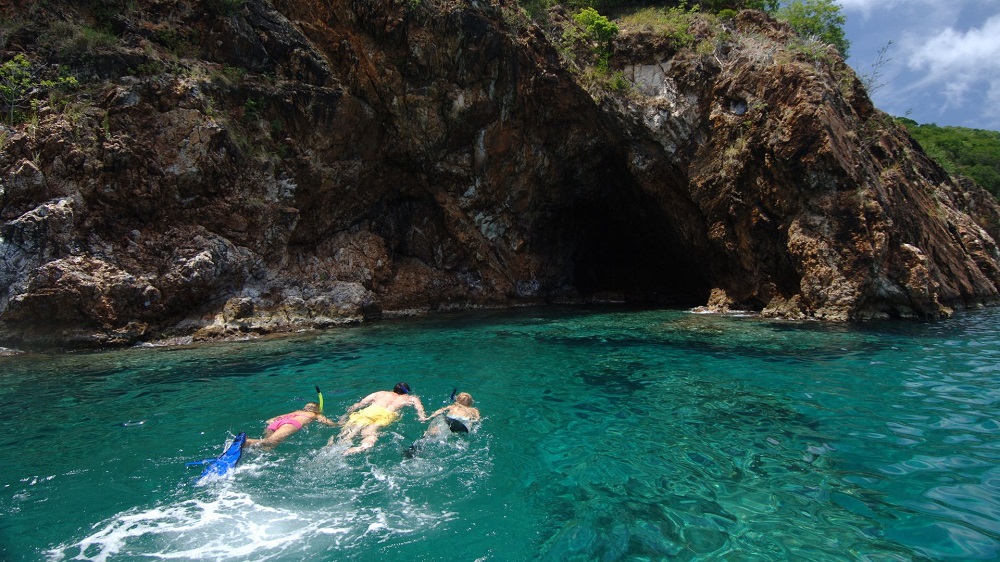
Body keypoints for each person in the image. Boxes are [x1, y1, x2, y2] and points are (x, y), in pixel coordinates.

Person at [331, 382, 428, 455]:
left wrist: (343, 417)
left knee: (349, 433)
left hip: (370, 411)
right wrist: (422, 417)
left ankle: (338, 447)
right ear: (406, 392)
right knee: (371, 432)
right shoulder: (410, 398)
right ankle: (362, 446)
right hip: (386, 415)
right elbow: (420, 410)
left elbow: (359, 404)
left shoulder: (380, 393)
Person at [404, 391, 481, 458]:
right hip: (463, 425)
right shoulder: (474, 410)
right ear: (470, 402)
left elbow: (439, 411)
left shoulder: (453, 406)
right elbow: (477, 419)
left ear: (457, 399)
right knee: (460, 435)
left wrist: (428, 418)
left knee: (429, 434)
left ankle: (412, 451)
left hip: (449, 421)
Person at [245, 402, 336, 449]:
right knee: (271, 442)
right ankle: (248, 442)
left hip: (277, 423)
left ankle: (251, 449)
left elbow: (270, 420)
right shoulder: (316, 414)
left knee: (268, 447)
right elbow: (328, 423)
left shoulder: (296, 412)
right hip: (289, 424)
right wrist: (339, 424)